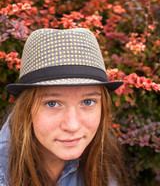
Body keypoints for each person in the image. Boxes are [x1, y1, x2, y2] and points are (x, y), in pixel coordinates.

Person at [0, 28, 129, 186]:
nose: (72, 126)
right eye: (52, 103)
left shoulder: (101, 154)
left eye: (88, 102)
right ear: (26, 109)